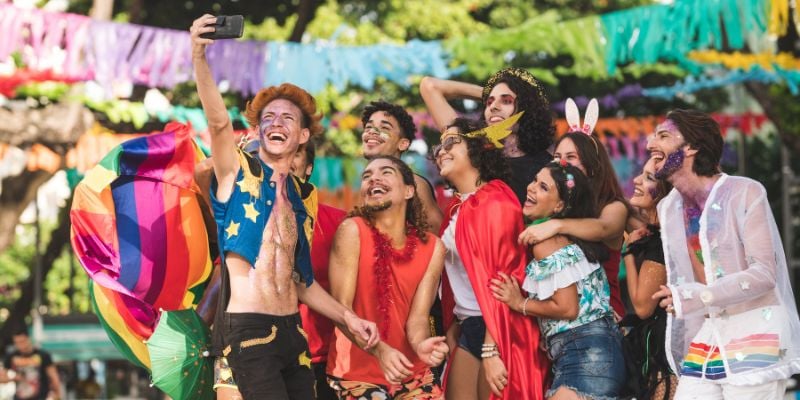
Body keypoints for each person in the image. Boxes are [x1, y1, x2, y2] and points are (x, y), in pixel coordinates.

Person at [191, 15, 378, 400]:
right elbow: (219, 123)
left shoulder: (300, 198)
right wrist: (199, 57)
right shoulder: (237, 175)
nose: (275, 123)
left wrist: (349, 318)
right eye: (268, 118)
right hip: (247, 330)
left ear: (303, 136)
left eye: (287, 118)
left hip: (292, 332)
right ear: (258, 130)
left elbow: (300, 283)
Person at [648, 109, 800, 400]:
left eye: (663, 136)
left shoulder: (744, 192)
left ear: (690, 147)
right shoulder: (670, 208)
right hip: (711, 333)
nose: (649, 144)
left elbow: (765, 274)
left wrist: (697, 296)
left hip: (757, 329)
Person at [491, 161, 626, 399]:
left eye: (543, 187)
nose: (531, 188)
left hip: (585, 353)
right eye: (534, 180)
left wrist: (518, 303)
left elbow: (566, 308)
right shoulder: (571, 238)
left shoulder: (546, 243)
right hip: (591, 350)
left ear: (560, 205)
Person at [433, 118, 547, 400]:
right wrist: (452, 326)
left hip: (499, 327)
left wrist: (491, 348)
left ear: (476, 148)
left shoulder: (497, 200)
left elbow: (507, 278)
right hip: (469, 324)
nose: (441, 151)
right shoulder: (457, 209)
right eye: (439, 146)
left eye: (451, 143)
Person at [326, 156, 448, 399]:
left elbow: (418, 319)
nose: (374, 179)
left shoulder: (433, 247)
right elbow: (341, 310)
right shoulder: (352, 230)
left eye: (386, 172)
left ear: (409, 191)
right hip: (356, 374)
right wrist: (381, 351)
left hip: (411, 373)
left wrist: (422, 344)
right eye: (367, 176)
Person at [519, 130, 630, 319]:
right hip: (556, 326)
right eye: (557, 157)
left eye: (571, 157)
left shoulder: (613, 206)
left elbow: (603, 228)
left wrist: (557, 225)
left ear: (593, 166)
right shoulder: (552, 210)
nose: (561, 163)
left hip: (603, 319)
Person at [420, 68, 554, 205]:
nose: (493, 107)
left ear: (528, 108)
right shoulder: (470, 149)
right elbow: (429, 86)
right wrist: (487, 93)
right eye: (489, 102)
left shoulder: (547, 165)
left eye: (506, 101)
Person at [293, 140, 347, 400]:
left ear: (308, 168)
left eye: (296, 153)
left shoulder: (340, 222)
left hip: (324, 360)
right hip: (264, 355)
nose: (285, 160)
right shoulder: (250, 220)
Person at [621, 158, 677, 400]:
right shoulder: (658, 233)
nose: (636, 180)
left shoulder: (660, 242)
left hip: (665, 355)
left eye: (648, 178)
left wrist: (628, 254)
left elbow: (643, 307)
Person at [359, 100, 443, 233]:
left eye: (385, 128)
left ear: (403, 144)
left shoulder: (414, 184)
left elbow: (438, 233)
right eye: (368, 127)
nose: (372, 132)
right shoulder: (367, 183)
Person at [0, 328, 63, 400]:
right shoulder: (11, 357)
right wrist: (14, 378)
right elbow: (1, 378)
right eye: (17, 343)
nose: (20, 345)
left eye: (22, 341)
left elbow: (54, 377)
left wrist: (57, 395)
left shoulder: (43, 355)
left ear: (28, 339)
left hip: (41, 397)